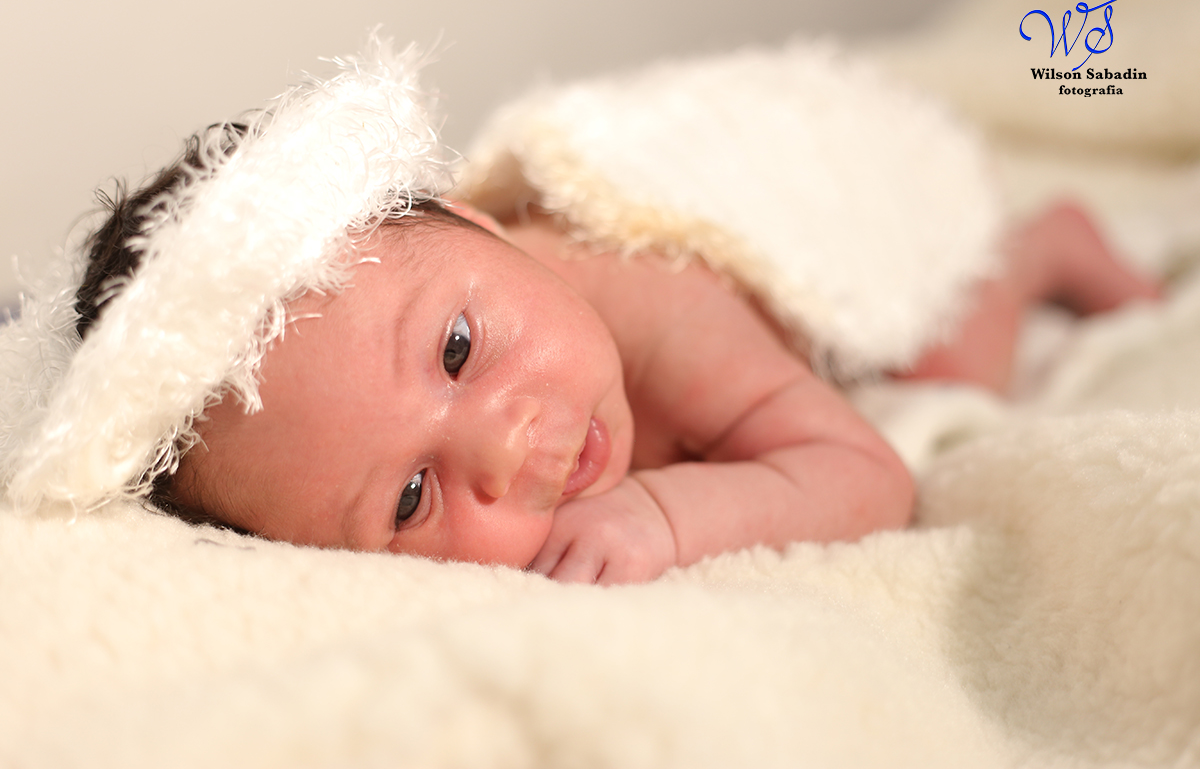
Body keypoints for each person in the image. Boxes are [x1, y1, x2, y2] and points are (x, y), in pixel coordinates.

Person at [76, 176, 1158, 584]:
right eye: (411, 497)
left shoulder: (662, 302)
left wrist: (666, 512)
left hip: (862, 243)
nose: (501, 447)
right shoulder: (465, 322)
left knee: (943, 363)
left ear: (475, 220)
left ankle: (1039, 243)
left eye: (458, 349)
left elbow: (866, 471)